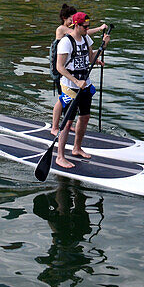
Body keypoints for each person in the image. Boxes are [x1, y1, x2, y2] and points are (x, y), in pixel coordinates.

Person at [55, 12, 110, 169]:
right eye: (85, 26)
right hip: (69, 87)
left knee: (85, 117)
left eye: (88, 26)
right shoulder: (65, 42)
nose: (88, 28)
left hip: (85, 84)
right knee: (67, 122)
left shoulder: (86, 38)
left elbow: (90, 56)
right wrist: (75, 81)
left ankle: (77, 148)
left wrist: (103, 48)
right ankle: (60, 156)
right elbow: (60, 67)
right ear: (76, 25)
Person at [50, 4, 107, 134]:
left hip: (75, 67)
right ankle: (55, 127)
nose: (71, 21)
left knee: (73, 105)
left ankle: (68, 123)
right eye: (71, 19)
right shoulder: (63, 30)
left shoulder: (80, 34)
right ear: (65, 18)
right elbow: (81, 33)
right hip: (62, 67)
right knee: (62, 98)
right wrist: (99, 28)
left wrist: (94, 59)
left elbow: (82, 45)